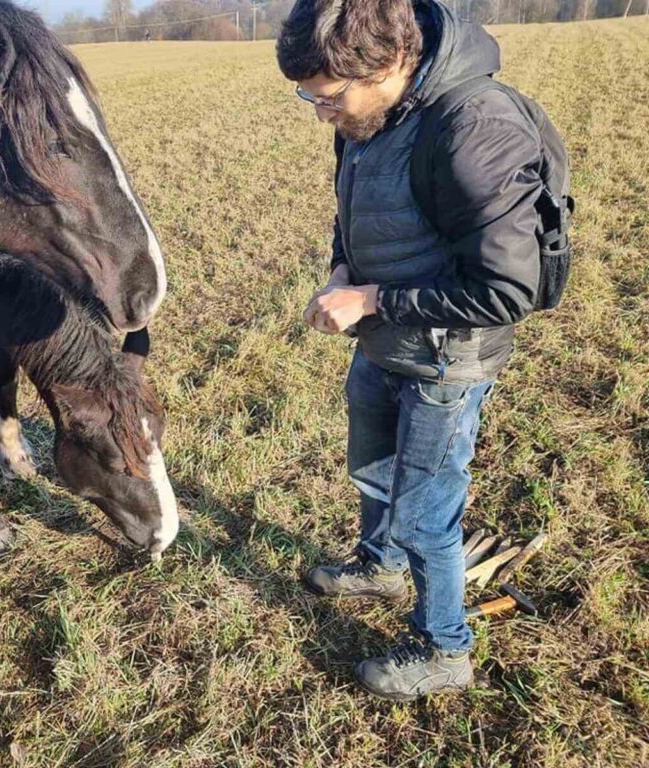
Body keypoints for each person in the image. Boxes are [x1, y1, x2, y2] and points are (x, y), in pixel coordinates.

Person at [277, 0, 546, 700]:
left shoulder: (476, 127)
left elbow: (506, 289)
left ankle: (444, 647)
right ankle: (379, 564)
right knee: (372, 467)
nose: (320, 113)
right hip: (385, 340)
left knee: (428, 509)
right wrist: (343, 269)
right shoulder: (367, 115)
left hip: (446, 358)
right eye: (309, 96)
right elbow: (355, 209)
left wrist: (371, 301)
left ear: (393, 63)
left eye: (327, 97)